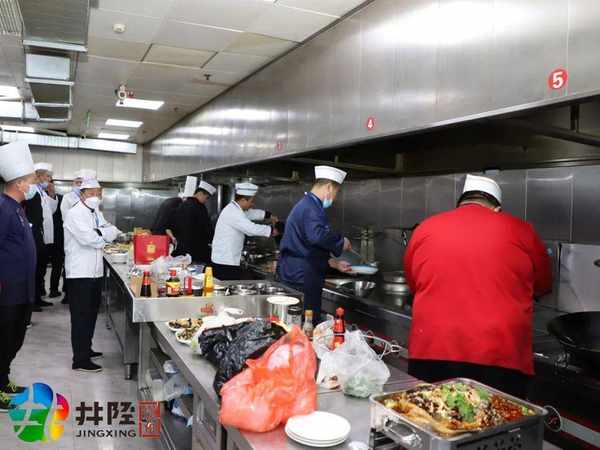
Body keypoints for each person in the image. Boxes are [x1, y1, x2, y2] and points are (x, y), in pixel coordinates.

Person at [403, 174, 553, 398]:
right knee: (497, 417)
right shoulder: (521, 230)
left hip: (432, 349)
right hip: (500, 353)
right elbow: (543, 284)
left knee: (429, 415)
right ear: (497, 209)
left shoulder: (425, 228)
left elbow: (414, 283)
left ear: (461, 203)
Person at [277, 166, 353, 324]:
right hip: (303, 277)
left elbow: (308, 245)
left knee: (296, 324)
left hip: (296, 273)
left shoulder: (306, 204)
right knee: (306, 325)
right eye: (336, 192)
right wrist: (341, 242)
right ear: (329, 187)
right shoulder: (311, 207)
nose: (334, 198)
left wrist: (333, 263)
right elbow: (317, 236)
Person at [64, 179, 120, 372]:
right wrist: (103, 235)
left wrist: (101, 232)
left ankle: (86, 349)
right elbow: (88, 239)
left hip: (95, 272)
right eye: (91, 193)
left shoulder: (95, 211)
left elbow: (112, 229)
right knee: (80, 316)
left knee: (91, 314)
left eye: (98, 193)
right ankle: (79, 360)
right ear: (82, 194)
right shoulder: (74, 213)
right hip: (80, 273)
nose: (96, 197)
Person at [0, 142, 37, 411]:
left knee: (15, 338)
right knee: (4, 338)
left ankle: (3, 379)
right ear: (20, 183)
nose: (33, 185)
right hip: (7, 289)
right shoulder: (3, 208)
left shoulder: (17, 208)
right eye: (31, 180)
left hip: (23, 288)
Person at [211, 182, 278, 280]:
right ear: (243, 200)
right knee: (228, 286)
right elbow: (250, 229)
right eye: (251, 201)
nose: (252, 204)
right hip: (225, 262)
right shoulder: (233, 212)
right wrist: (271, 230)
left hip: (225, 260)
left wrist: (267, 215)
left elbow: (249, 214)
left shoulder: (235, 209)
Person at [23, 162, 57, 309]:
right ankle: (32, 300)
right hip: (34, 234)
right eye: (47, 176)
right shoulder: (31, 190)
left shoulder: (42, 192)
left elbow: (51, 211)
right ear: (38, 175)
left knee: (41, 268)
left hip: (43, 235)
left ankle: (37, 297)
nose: (49, 180)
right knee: (35, 269)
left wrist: (51, 194)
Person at [169, 180, 217, 264]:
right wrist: (212, 240)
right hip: (196, 251)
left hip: (181, 250)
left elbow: (173, 226)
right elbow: (206, 228)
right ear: (200, 193)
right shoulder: (200, 208)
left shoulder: (182, 205)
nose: (205, 201)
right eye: (206, 198)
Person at [47, 181, 65, 299]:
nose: (49, 186)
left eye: (51, 184)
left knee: (58, 265)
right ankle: (41, 290)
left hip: (59, 238)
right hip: (45, 238)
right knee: (42, 266)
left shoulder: (61, 198)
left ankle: (55, 290)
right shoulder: (40, 197)